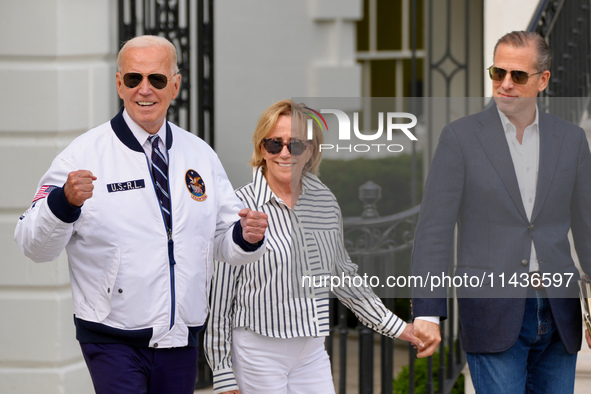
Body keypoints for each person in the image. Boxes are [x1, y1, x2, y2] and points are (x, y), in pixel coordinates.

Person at [14, 35, 268, 394]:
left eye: (157, 79)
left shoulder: (200, 155)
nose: (144, 90)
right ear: (120, 84)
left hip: (181, 337)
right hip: (111, 338)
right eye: (133, 79)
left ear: (175, 85)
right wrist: (63, 203)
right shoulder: (82, 156)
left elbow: (223, 242)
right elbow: (32, 245)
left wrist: (247, 236)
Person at [411, 30, 591, 393]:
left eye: (518, 76)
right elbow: (434, 230)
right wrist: (427, 312)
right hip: (493, 313)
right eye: (498, 72)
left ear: (542, 80)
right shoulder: (460, 138)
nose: (505, 84)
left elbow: (587, 228)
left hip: (560, 314)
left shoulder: (570, 139)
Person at [204, 99, 424, 394]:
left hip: (311, 350)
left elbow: (344, 277)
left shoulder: (324, 202)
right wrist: (222, 372)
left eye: (296, 145)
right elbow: (219, 298)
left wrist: (400, 328)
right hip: (258, 350)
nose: (285, 153)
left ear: (311, 150)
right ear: (260, 148)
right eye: (274, 144)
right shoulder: (239, 207)